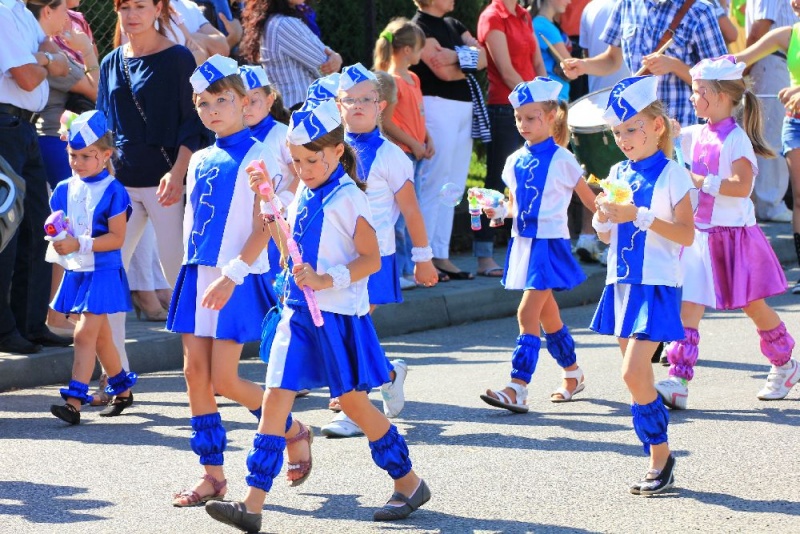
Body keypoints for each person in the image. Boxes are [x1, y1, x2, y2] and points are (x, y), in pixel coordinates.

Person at [204, 98, 430, 532]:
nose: (303, 169)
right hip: (297, 315)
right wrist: (268, 203)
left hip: (337, 317)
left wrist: (326, 279)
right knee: (275, 398)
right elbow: (287, 250)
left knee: (354, 404)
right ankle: (252, 504)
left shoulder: (350, 198)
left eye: (312, 160)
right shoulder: (305, 191)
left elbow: (371, 260)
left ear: (337, 152)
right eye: (296, 161)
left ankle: (409, 482)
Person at [167, 55, 311, 506]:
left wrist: (232, 275)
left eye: (223, 100)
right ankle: (212, 475)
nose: (213, 110)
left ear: (244, 102)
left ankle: (292, 428)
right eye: (204, 103)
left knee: (225, 380)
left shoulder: (260, 154)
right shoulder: (199, 158)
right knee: (194, 374)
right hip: (198, 273)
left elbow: (263, 225)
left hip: (236, 275)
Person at [655, 56, 799, 410]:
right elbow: (671, 143)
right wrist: (665, 130)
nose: (693, 97)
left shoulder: (736, 139)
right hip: (701, 236)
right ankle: (678, 380)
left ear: (720, 96)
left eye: (698, 91)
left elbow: (741, 187)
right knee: (689, 304)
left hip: (734, 238)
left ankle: (785, 364)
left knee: (753, 306)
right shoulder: (696, 133)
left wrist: (701, 181)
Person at [319, 64, 438, 438]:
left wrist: (422, 258)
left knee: (353, 328)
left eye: (366, 100)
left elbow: (411, 210)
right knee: (350, 329)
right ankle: (387, 374)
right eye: (349, 100)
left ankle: (355, 406)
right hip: (336, 257)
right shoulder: (327, 150)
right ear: (337, 105)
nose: (357, 106)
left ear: (380, 106)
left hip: (376, 258)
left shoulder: (391, 156)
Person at [590, 75, 694, 495]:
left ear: (657, 126)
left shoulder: (674, 175)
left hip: (656, 285)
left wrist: (640, 216)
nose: (623, 139)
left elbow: (686, 235)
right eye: (617, 132)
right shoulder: (616, 172)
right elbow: (606, 236)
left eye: (631, 129)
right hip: (621, 284)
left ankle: (660, 458)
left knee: (633, 372)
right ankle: (660, 458)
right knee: (638, 380)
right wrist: (602, 218)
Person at [97, 0, 203, 379]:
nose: (131, 15)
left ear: (158, 9)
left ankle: (205, 370)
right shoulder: (111, 62)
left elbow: (194, 124)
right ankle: (116, 377)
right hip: (122, 186)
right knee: (108, 276)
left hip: (166, 185)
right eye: (124, 7)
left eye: (140, 6)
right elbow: (103, 124)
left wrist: (178, 173)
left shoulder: (178, 58)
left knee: (179, 278)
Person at [478, 77, 596, 413]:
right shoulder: (514, 160)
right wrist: (498, 211)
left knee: (527, 312)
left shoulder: (563, 159)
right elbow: (513, 206)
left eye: (531, 117)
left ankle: (517, 387)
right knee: (548, 316)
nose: (523, 124)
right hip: (523, 244)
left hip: (549, 246)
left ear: (551, 116)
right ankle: (573, 373)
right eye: (519, 118)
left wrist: (614, 220)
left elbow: (590, 201)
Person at [47, 110, 137, 425]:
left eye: (87, 156)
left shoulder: (114, 190)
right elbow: (60, 228)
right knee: (100, 339)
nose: (78, 162)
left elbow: (116, 239)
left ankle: (74, 402)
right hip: (77, 269)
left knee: (85, 334)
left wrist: (78, 243)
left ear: (106, 155)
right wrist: (58, 238)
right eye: (73, 155)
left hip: (103, 271)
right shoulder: (63, 188)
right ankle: (123, 390)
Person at [0, 0, 73, 354]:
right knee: (7, 230)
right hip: (4, 127)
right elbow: (28, 78)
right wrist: (45, 60)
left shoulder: (20, 12)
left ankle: (30, 325)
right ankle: (4, 330)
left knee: (35, 227)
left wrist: (41, 58)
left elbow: (57, 59)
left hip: (25, 128)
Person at [411, 0, 489, 280]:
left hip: (462, 109)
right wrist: (467, 60)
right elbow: (442, 72)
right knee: (434, 181)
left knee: (452, 186)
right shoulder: (419, 27)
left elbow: (484, 58)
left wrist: (454, 56)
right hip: (437, 106)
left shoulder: (454, 24)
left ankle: (441, 254)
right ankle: (424, 257)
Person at [561, 0, 727, 127]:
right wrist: (583, 66)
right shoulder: (626, 4)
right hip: (637, 127)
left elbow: (721, 79)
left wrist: (674, 65)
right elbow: (612, 60)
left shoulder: (700, 10)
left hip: (681, 127)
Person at [476, 0, 544, 278]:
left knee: (530, 180)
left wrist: (546, 97)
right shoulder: (492, 16)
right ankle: (483, 255)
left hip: (533, 110)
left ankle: (528, 251)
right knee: (496, 181)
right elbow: (505, 71)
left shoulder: (524, 15)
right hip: (506, 110)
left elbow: (537, 63)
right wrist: (534, 102)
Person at [374, 17, 435, 290]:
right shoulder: (392, 81)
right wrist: (414, 143)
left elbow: (417, 114)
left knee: (412, 212)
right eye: (420, 48)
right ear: (408, 50)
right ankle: (398, 271)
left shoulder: (414, 78)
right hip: (403, 156)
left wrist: (427, 138)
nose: (422, 53)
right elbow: (386, 123)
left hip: (415, 155)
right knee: (398, 217)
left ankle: (411, 269)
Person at [239, 63, 296, 288]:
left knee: (276, 281)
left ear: (270, 100)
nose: (247, 108)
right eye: (241, 101)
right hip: (246, 224)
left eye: (254, 101)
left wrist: (284, 201)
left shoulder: (282, 134)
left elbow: (300, 174)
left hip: (277, 222)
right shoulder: (235, 137)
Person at [743, 1, 797, 223]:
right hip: (773, 60)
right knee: (771, 135)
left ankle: (768, 202)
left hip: (775, 60)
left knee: (770, 134)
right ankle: (769, 203)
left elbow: (760, 27)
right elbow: (760, 27)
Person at [240, 0, 342, 110]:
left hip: (292, 108)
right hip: (302, 109)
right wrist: (335, 58)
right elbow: (325, 68)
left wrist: (334, 56)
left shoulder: (274, 21)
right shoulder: (284, 24)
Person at [579, 0, 630, 95]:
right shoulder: (631, 7)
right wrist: (583, 65)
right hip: (627, 96)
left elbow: (587, 54)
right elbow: (612, 59)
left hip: (598, 94)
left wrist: (584, 65)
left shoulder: (590, 7)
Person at [531, 0, 572, 103]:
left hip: (554, 95)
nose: (569, 1)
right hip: (553, 98)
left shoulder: (543, 23)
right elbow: (571, 66)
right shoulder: (543, 25)